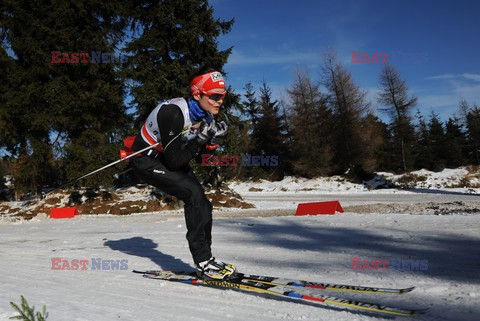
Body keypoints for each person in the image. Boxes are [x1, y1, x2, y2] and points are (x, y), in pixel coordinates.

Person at [130, 69, 236, 280]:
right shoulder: (173, 113)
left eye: (223, 96)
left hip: (167, 156)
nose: (220, 101)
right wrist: (199, 140)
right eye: (215, 96)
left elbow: (197, 158)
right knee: (193, 193)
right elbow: (176, 160)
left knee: (203, 202)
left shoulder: (204, 115)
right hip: (147, 159)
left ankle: (207, 259)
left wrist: (212, 144)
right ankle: (203, 262)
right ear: (197, 94)